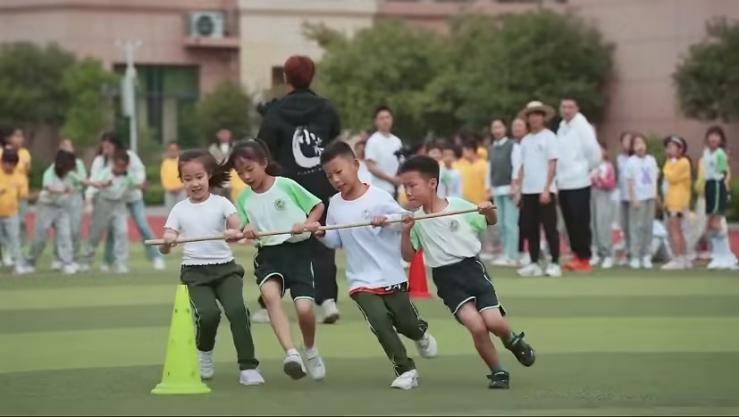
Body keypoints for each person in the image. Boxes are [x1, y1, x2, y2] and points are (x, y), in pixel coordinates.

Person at [398, 155, 535, 389]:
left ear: (432, 183)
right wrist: (405, 231)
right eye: (404, 187)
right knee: (477, 327)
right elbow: (408, 256)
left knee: (494, 323)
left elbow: (491, 221)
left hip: (472, 270)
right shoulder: (416, 220)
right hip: (446, 279)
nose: (407, 192)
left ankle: (512, 340)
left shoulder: (459, 206)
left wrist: (486, 210)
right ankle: (498, 372)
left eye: (412, 185)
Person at [317, 141, 437, 390]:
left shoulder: (379, 196)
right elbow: (335, 240)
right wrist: (320, 233)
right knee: (379, 322)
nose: (336, 179)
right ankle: (405, 370)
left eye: (339, 172)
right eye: (330, 176)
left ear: (356, 165)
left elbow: (404, 220)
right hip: (360, 281)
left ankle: (421, 334)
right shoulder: (335, 204)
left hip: (391, 275)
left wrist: (388, 220)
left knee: (407, 325)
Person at [159, 149, 263, 386]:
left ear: (209, 176)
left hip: (226, 270)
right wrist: (167, 243)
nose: (194, 183)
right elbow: (167, 240)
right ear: (182, 180)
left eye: (199, 177)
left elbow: (238, 225)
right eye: (188, 179)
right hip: (195, 273)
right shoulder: (179, 209)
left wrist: (235, 232)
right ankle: (204, 353)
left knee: (238, 311)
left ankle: (248, 367)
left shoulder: (222, 203)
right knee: (208, 315)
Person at [229, 140, 327, 381]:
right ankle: (291, 353)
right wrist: (247, 227)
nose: (246, 176)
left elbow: (317, 205)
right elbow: (243, 224)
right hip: (269, 256)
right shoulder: (243, 199)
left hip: (298, 252)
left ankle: (310, 350)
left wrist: (306, 223)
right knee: (271, 297)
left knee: (305, 310)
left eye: (249, 169)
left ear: (264, 163)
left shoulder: (286, 185)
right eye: (240, 173)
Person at [258, 55, 342, 324]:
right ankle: (327, 301)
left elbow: (264, 149)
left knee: (279, 244)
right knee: (322, 243)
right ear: (312, 76)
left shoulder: (275, 111)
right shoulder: (326, 109)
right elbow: (332, 136)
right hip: (320, 183)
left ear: (286, 77)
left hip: (286, 188)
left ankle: (269, 303)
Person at [87, 132, 165, 271]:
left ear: (115, 145)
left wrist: (139, 183)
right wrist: (89, 198)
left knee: (142, 225)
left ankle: (156, 257)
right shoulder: (100, 160)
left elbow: (139, 172)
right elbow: (94, 179)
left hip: (132, 197)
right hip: (113, 200)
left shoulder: (129, 156)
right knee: (114, 230)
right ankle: (108, 261)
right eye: (104, 147)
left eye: (108, 146)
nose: (106, 150)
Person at [515, 101, 561, 277]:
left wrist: (547, 188)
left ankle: (555, 263)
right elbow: (522, 166)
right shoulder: (525, 140)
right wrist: (519, 190)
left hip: (545, 190)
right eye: (531, 115)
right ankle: (534, 262)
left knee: (550, 228)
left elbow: (553, 163)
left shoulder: (549, 137)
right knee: (530, 228)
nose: (534, 118)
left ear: (543, 117)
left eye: (538, 114)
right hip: (528, 191)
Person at [555, 97, 601, 272]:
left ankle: (585, 257)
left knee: (581, 220)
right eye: (564, 106)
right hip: (564, 182)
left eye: (570, 107)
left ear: (576, 108)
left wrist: (585, 170)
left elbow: (593, 152)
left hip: (579, 181)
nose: (566, 110)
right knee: (570, 221)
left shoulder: (582, 125)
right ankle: (576, 255)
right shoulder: (562, 127)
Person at [81, 150, 138, 273]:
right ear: (113, 163)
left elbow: (135, 186)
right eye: (117, 165)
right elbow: (94, 185)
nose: (119, 169)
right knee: (95, 234)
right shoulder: (105, 173)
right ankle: (87, 260)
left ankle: (121, 263)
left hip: (119, 205)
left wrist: (141, 186)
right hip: (103, 203)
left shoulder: (129, 176)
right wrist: (90, 202)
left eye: (123, 166)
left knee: (122, 232)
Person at [25, 150, 81, 274]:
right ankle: (30, 261)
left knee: (65, 235)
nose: (69, 169)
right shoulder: (49, 173)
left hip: (62, 207)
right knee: (41, 237)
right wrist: (64, 191)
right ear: (61, 165)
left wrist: (99, 184)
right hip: (47, 207)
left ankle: (67, 262)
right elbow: (48, 188)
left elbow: (81, 181)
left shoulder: (69, 174)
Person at [701, 126, 738, 270]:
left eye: (716, 136)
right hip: (709, 185)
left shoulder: (721, 154)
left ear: (721, 139)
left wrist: (725, 191)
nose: (713, 138)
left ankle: (726, 256)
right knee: (711, 223)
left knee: (715, 222)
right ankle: (719, 255)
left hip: (717, 185)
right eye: (711, 135)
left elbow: (724, 173)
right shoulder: (706, 153)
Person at [488, 118, 522, 267]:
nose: (497, 130)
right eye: (494, 128)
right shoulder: (492, 147)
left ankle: (513, 255)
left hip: (510, 188)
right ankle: (505, 254)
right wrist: (489, 186)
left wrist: (515, 185)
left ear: (504, 128)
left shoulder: (512, 145)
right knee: (500, 223)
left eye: (499, 127)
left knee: (510, 223)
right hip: (496, 188)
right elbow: (490, 169)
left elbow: (517, 166)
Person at [625, 133, 659, 269]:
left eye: (642, 143)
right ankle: (635, 256)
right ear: (633, 147)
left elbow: (655, 178)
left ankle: (646, 256)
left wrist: (656, 196)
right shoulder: (631, 161)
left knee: (648, 227)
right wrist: (634, 198)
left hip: (650, 197)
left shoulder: (651, 160)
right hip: (638, 198)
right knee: (636, 227)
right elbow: (630, 181)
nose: (640, 147)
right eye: (637, 144)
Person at [661, 135, 692, 270]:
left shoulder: (683, 162)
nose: (669, 149)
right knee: (676, 229)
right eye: (668, 147)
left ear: (681, 149)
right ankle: (684, 258)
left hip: (678, 202)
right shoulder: (674, 162)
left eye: (673, 147)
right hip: (672, 201)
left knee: (676, 230)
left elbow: (671, 177)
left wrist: (667, 164)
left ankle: (679, 258)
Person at [55, 139, 87, 268]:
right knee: (62, 229)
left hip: (75, 197)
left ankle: (74, 256)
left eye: (69, 147)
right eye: (63, 147)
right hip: (61, 197)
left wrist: (75, 187)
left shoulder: (78, 163)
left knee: (75, 228)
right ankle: (60, 257)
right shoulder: (56, 165)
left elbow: (83, 180)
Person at [0, 149, 31, 274]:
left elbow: (23, 195)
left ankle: (18, 264)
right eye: (6, 163)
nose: (9, 166)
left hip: (12, 213)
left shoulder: (20, 176)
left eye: (12, 164)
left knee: (14, 239)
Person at [0, 129, 32, 244]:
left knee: (22, 219)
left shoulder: (25, 153)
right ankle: (6, 245)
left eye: (21, 136)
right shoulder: (2, 152)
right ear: (9, 138)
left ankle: (20, 245)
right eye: (16, 136)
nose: (19, 139)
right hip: (6, 191)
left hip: (21, 190)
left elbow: (28, 172)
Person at [365, 106, 403, 198]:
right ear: (376, 122)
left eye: (387, 117)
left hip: (398, 189)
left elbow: (402, 162)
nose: (385, 121)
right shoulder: (373, 141)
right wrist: (391, 179)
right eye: (381, 118)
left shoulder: (397, 141)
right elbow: (370, 166)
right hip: (380, 189)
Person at [589, 142, 617, 269]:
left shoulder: (608, 166)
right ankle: (596, 252)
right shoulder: (591, 166)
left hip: (603, 195)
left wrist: (600, 181)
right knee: (593, 224)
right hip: (591, 195)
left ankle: (608, 254)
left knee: (603, 223)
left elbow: (611, 183)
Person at [511, 118, 530, 266]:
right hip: (518, 186)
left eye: (520, 125)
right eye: (515, 126)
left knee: (530, 222)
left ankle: (531, 252)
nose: (517, 128)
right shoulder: (514, 146)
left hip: (530, 186)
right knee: (521, 222)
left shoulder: (529, 142)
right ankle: (523, 252)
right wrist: (515, 185)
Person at [616, 132, 634, 265]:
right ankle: (627, 252)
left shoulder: (639, 159)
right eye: (625, 140)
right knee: (625, 226)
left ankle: (638, 253)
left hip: (636, 197)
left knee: (636, 226)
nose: (627, 143)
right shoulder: (619, 158)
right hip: (623, 196)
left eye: (630, 140)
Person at [161, 142, 185, 211]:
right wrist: (170, 188)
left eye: (175, 150)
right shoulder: (165, 163)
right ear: (167, 151)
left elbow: (185, 176)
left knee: (182, 211)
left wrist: (181, 187)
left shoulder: (182, 162)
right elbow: (164, 178)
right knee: (170, 212)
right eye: (170, 150)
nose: (173, 152)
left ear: (178, 150)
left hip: (182, 191)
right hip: (169, 192)